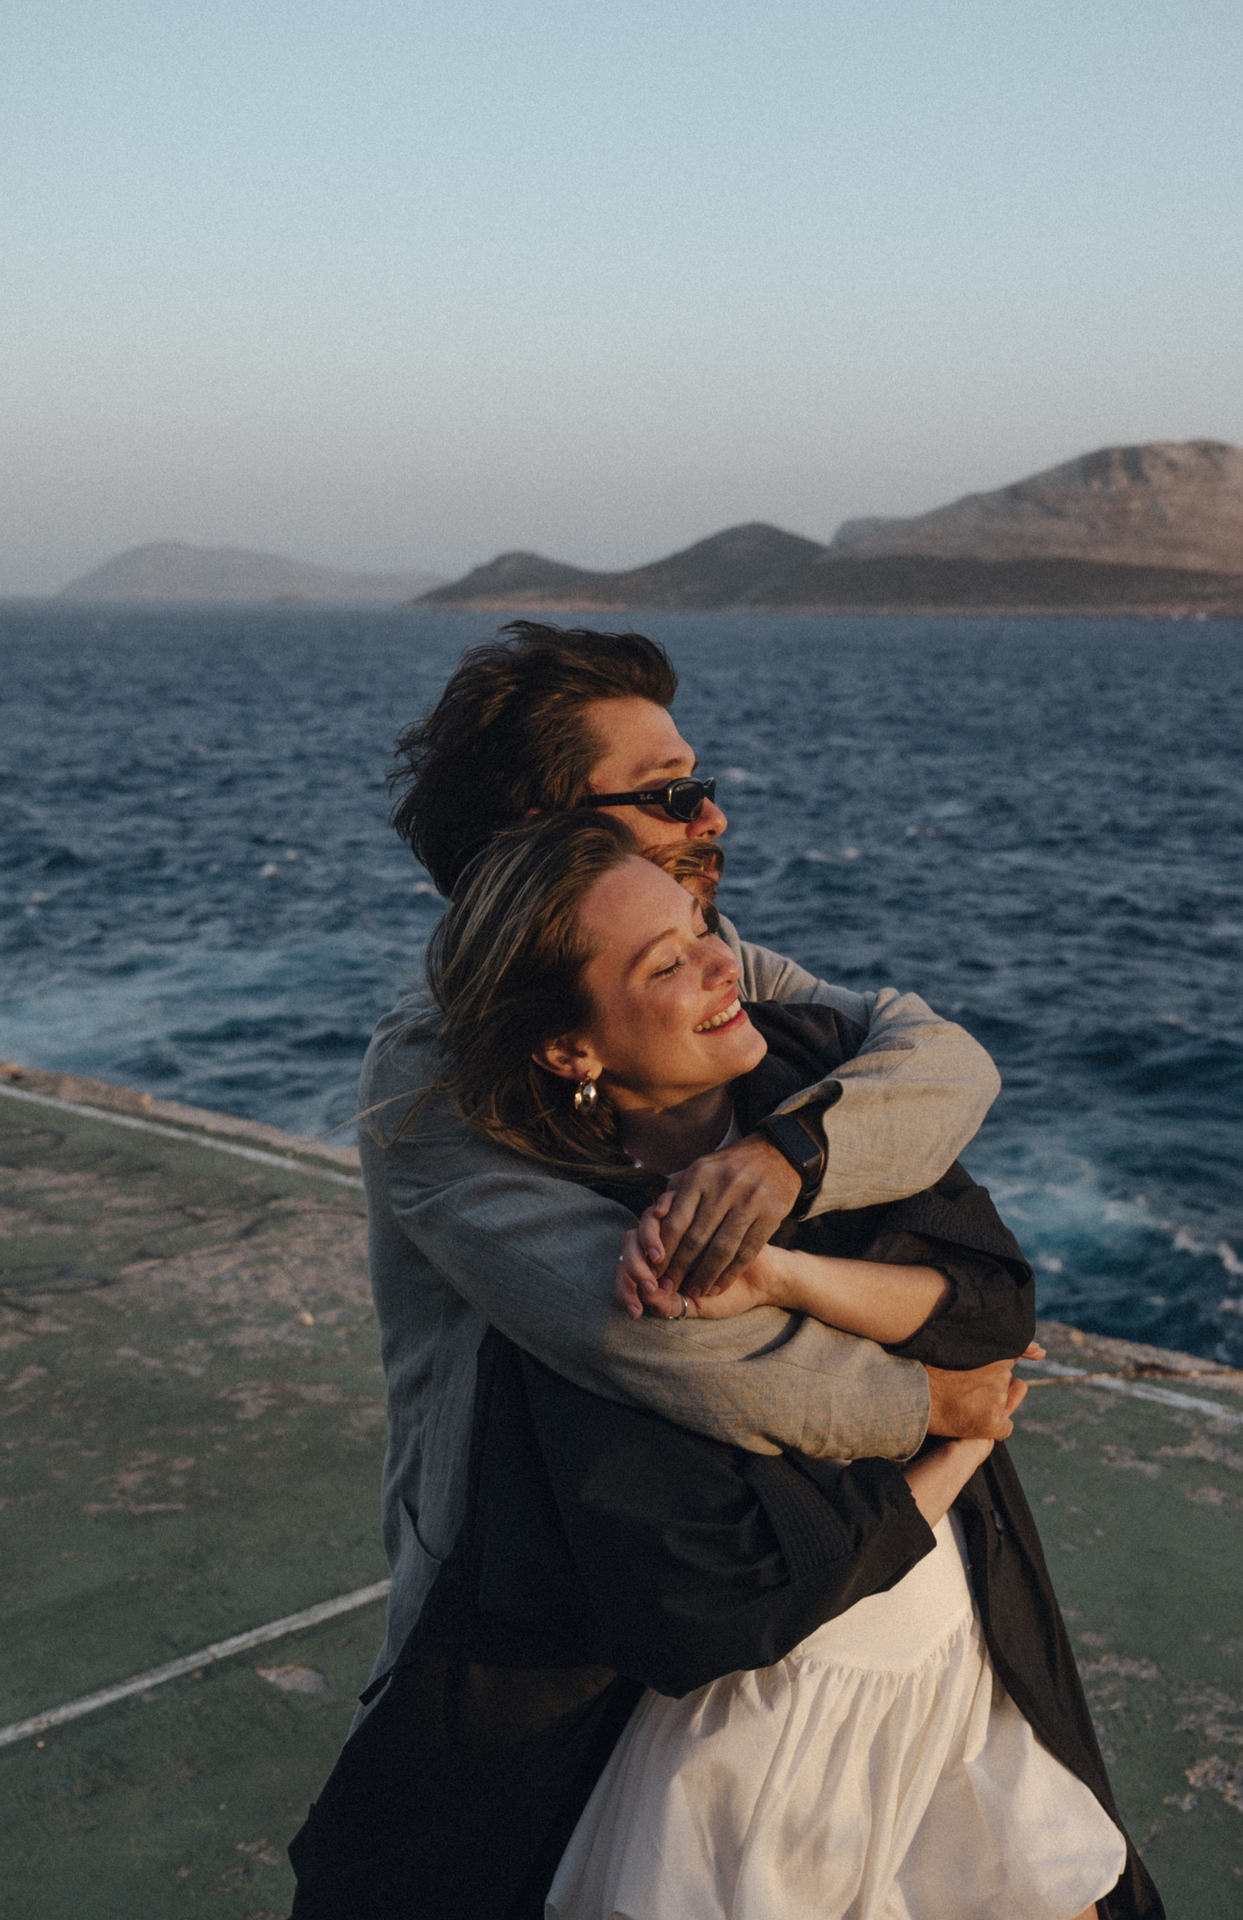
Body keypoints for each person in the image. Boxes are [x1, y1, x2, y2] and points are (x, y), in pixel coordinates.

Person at [293, 813, 1152, 1919]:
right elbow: (709, 1585)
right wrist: (938, 1412)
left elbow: (990, 1300)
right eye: (668, 956)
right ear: (569, 1048)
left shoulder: (796, 1076)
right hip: (767, 1739)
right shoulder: (578, 1250)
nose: (720, 955)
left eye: (699, 926)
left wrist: (788, 1259)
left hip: (937, 1652)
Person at [352, 623, 1023, 1749]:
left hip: (801, 1541)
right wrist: (930, 1405)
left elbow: (943, 1058)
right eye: (670, 793)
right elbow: (643, 1336)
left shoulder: (712, 955)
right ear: (545, 830)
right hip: (556, 1593)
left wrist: (785, 1157)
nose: (710, 817)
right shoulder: (434, 1073)